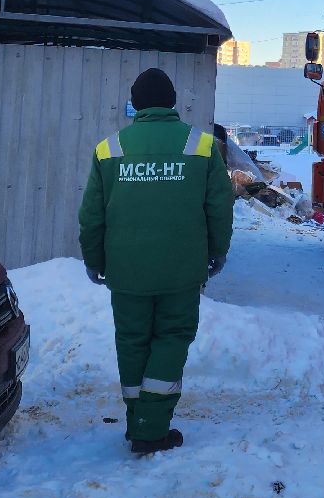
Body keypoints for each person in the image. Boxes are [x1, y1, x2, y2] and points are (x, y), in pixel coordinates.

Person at [78, 67, 234, 455]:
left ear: (136, 104)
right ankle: (153, 426)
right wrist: (217, 252)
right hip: (181, 271)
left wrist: (93, 259)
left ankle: (139, 423)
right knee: (172, 338)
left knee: (131, 341)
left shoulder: (108, 149)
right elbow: (219, 208)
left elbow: (92, 216)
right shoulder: (201, 147)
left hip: (127, 272)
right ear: (172, 102)